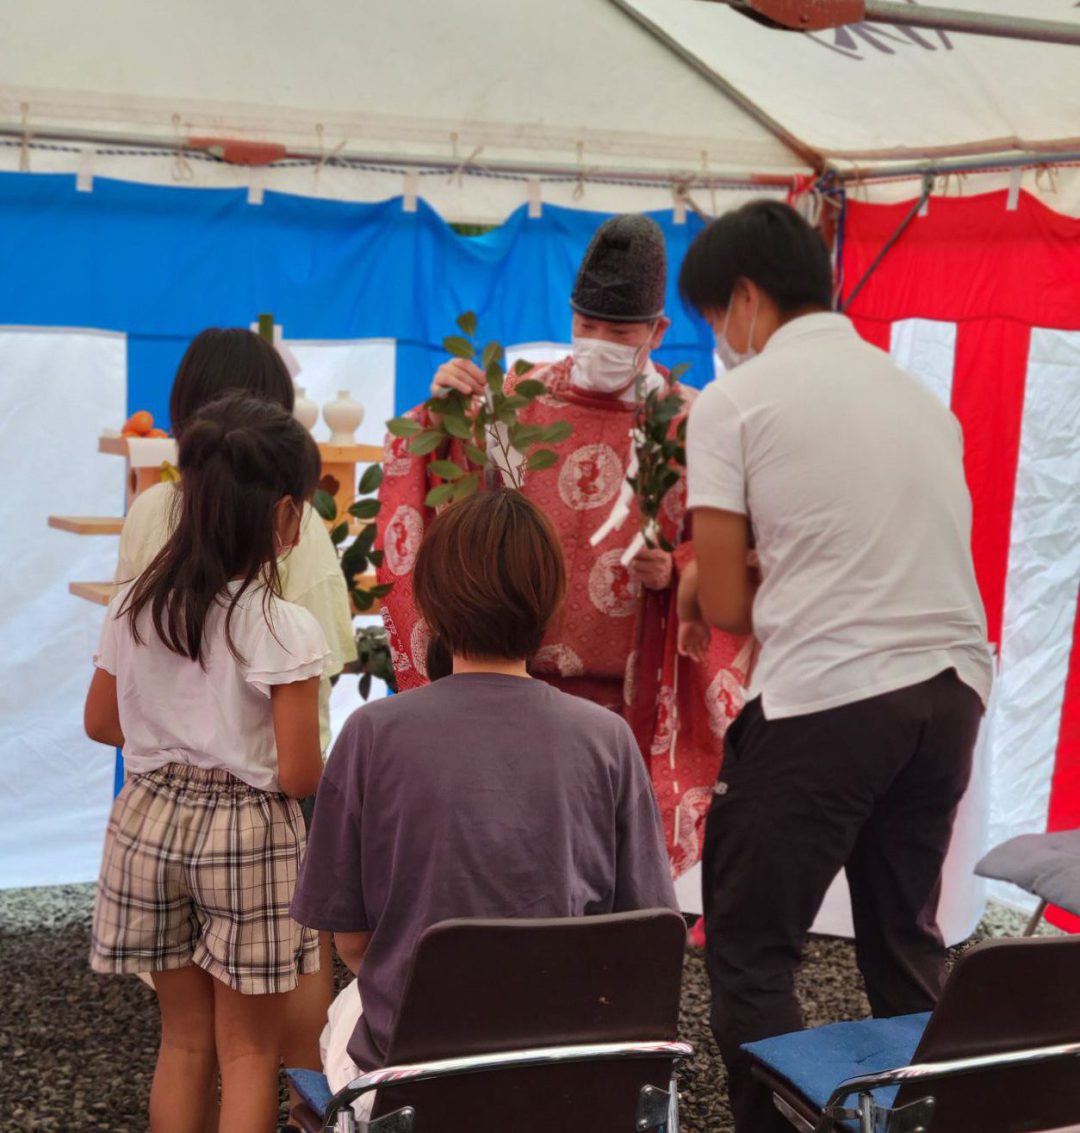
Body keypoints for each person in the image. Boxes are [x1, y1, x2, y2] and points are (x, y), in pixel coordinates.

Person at [676, 200, 993, 1133]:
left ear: (744, 299)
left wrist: (698, 579)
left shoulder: (734, 401)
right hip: (948, 697)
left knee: (749, 951)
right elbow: (860, 548)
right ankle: (948, 1119)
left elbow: (731, 606)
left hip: (827, 700)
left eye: (713, 321)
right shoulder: (916, 398)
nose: (720, 341)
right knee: (904, 942)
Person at [377, 215, 753, 881]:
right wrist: (444, 412)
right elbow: (454, 496)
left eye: (620, 332)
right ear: (572, 317)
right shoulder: (516, 400)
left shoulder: (695, 423)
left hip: (632, 698)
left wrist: (675, 569)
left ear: (658, 332)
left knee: (607, 867)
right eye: (589, 326)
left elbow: (736, 547)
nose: (600, 342)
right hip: (513, 681)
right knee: (507, 856)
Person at [292, 488, 679, 1110]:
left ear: (432, 602)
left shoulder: (371, 734)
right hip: (572, 1068)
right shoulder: (607, 739)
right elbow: (645, 936)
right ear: (552, 601)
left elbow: (353, 942)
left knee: (341, 1015)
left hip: (410, 1078)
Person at [115, 327, 354, 1092]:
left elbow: (101, 716)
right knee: (256, 1046)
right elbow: (296, 762)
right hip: (255, 821)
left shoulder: (139, 578)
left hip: (149, 813)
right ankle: (310, 1099)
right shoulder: (286, 607)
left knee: (182, 1041)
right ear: (285, 513)